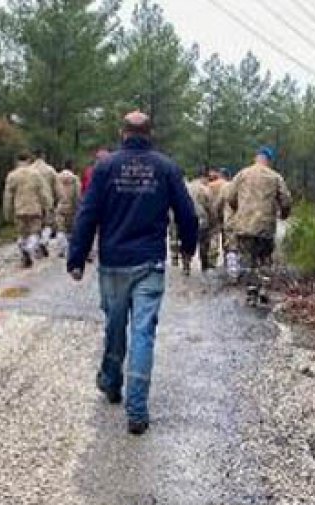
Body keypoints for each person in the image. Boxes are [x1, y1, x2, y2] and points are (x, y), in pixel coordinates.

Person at [68, 112, 198, 435]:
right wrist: (188, 246)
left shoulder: (105, 167)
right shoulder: (166, 167)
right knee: (143, 332)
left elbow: (87, 213)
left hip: (114, 262)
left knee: (114, 325)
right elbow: (187, 212)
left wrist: (77, 256)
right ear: (149, 133)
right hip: (150, 263)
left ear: (122, 133)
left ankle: (112, 382)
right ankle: (136, 410)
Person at [227, 147, 292, 305]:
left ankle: (251, 292)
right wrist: (284, 214)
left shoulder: (242, 174)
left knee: (248, 259)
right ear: (269, 160)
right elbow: (286, 200)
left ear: (255, 158)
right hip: (265, 225)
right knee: (264, 258)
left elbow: (230, 196)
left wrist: (238, 210)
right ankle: (263, 289)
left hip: (244, 224)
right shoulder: (275, 177)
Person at [3, 151, 54, 267]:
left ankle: (24, 254)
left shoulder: (12, 175)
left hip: (19, 210)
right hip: (34, 209)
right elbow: (43, 193)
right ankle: (29, 249)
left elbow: (8, 196)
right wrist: (48, 206)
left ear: (17, 161)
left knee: (22, 234)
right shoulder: (36, 175)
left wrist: (7, 212)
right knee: (34, 233)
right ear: (29, 160)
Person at [187, 168, 219, 271]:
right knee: (203, 243)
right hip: (201, 219)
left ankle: (186, 264)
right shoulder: (205, 189)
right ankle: (204, 266)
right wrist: (214, 220)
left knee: (187, 240)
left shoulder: (187, 186)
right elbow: (210, 206)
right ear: (204, 177)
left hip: (187, 218)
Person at [54, 159, 81, 238]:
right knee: (70, 230)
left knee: (60, 229)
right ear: (72, 166)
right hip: (71, 207)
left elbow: (54, 191)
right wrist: (78, 206)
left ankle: (61, 246)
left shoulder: (57, 177)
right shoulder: (75, 179)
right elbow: (77, 194)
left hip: (60, 206)